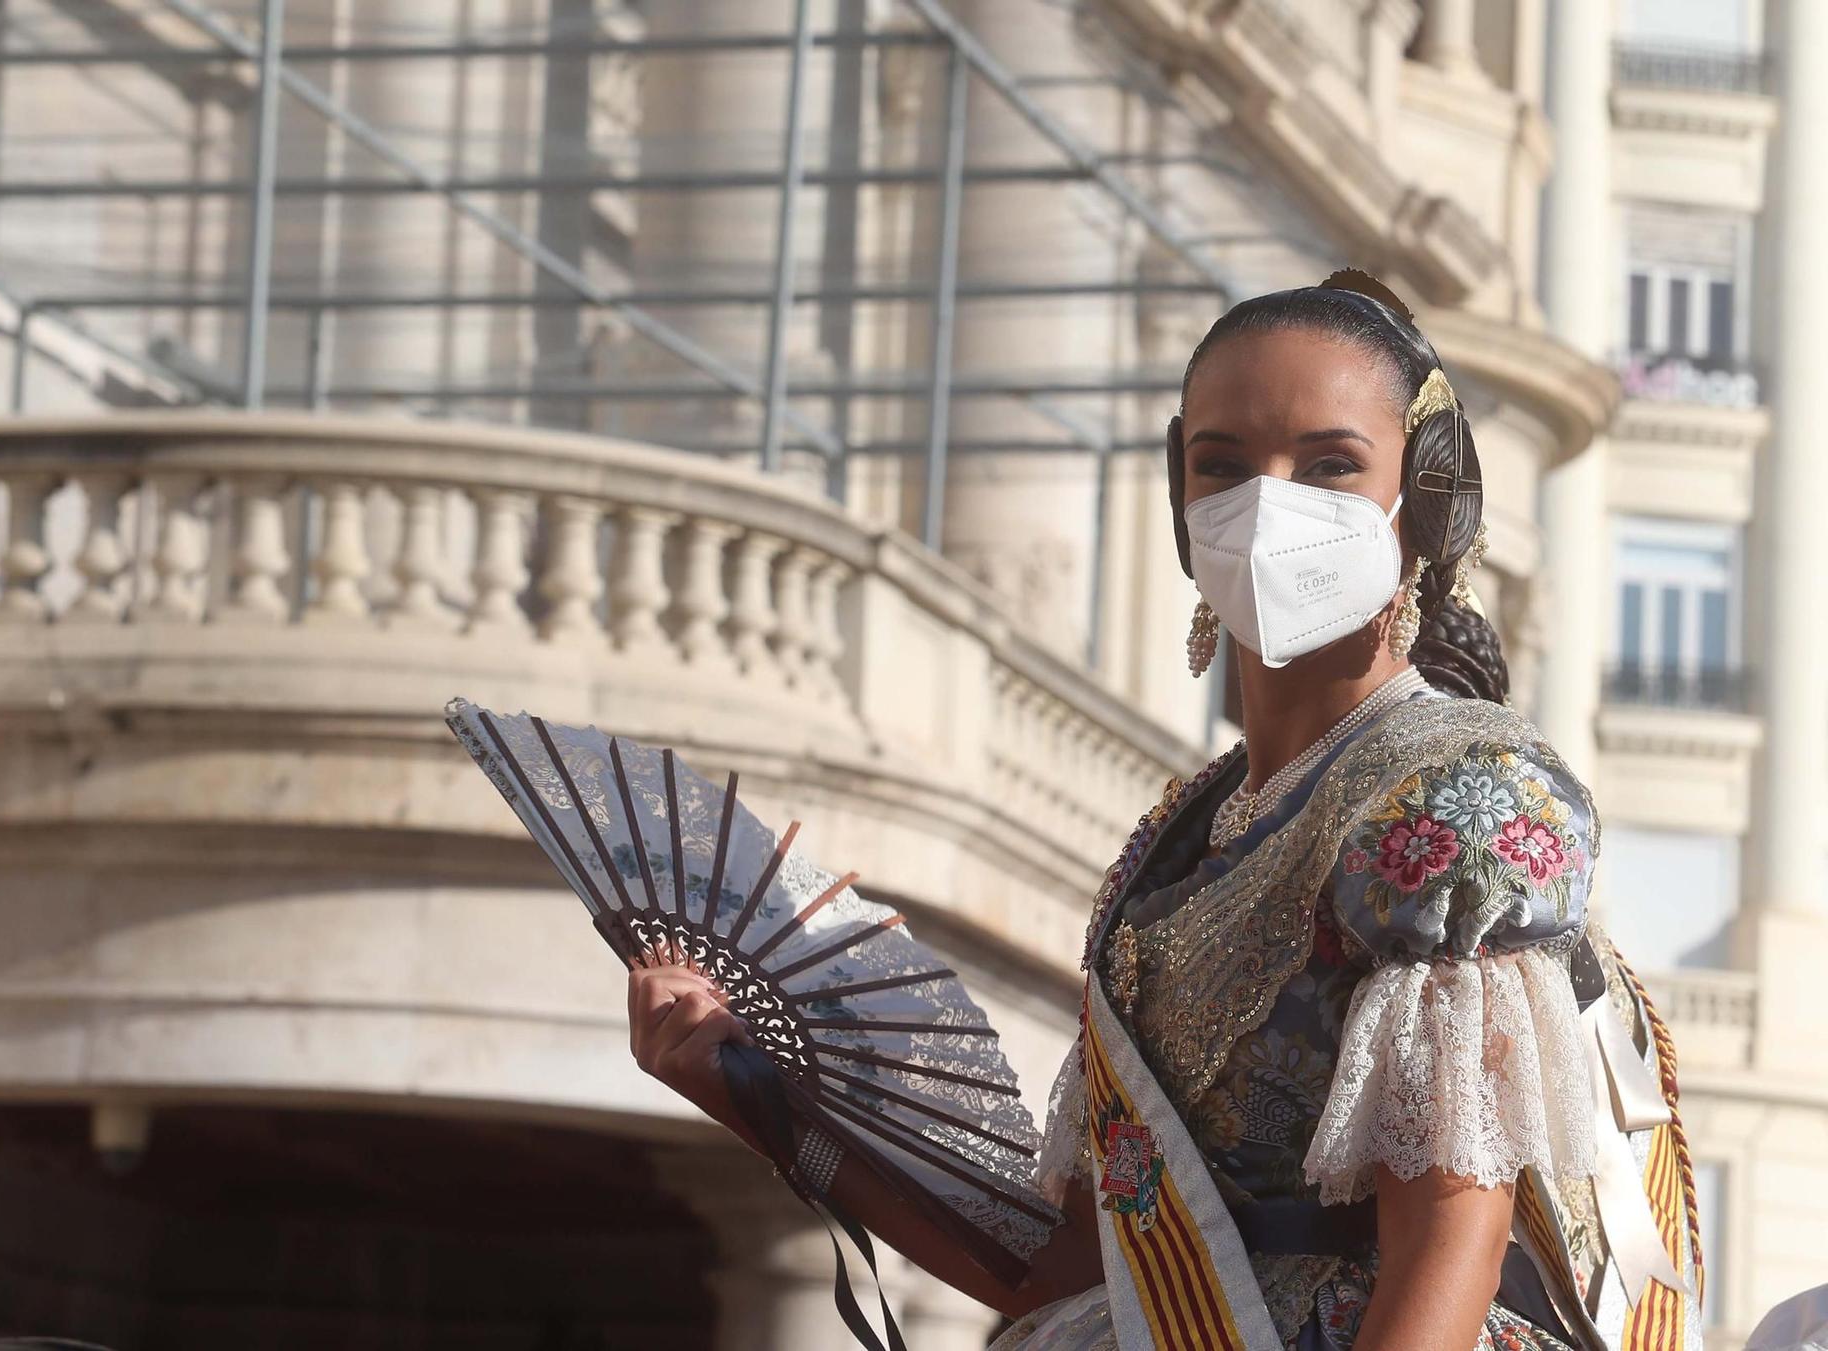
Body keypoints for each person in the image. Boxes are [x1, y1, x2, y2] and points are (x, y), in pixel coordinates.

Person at [626, 274, 1703, 1351]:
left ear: (1420, 500)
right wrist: (743, 1081)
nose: (1266, 500)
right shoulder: (1179, 835)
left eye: (1328, 464)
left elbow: (1444, 1247)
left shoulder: (1461, 796)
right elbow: (1062, 1256)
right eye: (1222, 464)